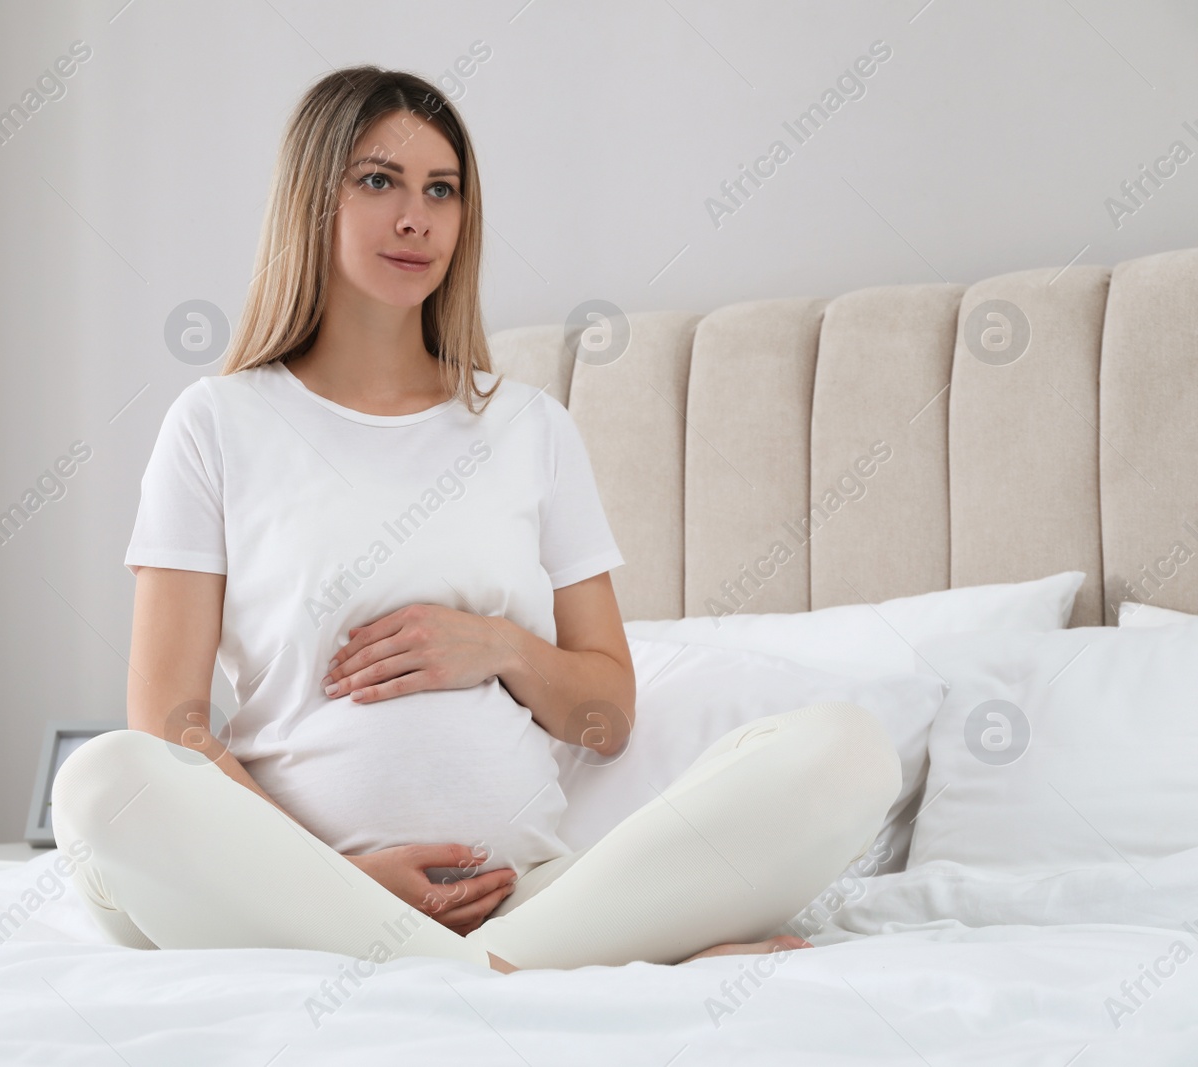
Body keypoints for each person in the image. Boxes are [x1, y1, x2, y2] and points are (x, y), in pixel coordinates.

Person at [50, 65, 901, 974]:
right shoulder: (218, 423)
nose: (417, 216)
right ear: (312, 198)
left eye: (442, 189)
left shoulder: (529, 427)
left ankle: (482, 963)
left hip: (525, 888)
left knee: (849, 753)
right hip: (300, 885)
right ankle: (558, 963)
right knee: (102, 784)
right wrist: (346, 878)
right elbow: (170, 721)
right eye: (378, 180)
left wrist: (498, 647)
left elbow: (606, 714)